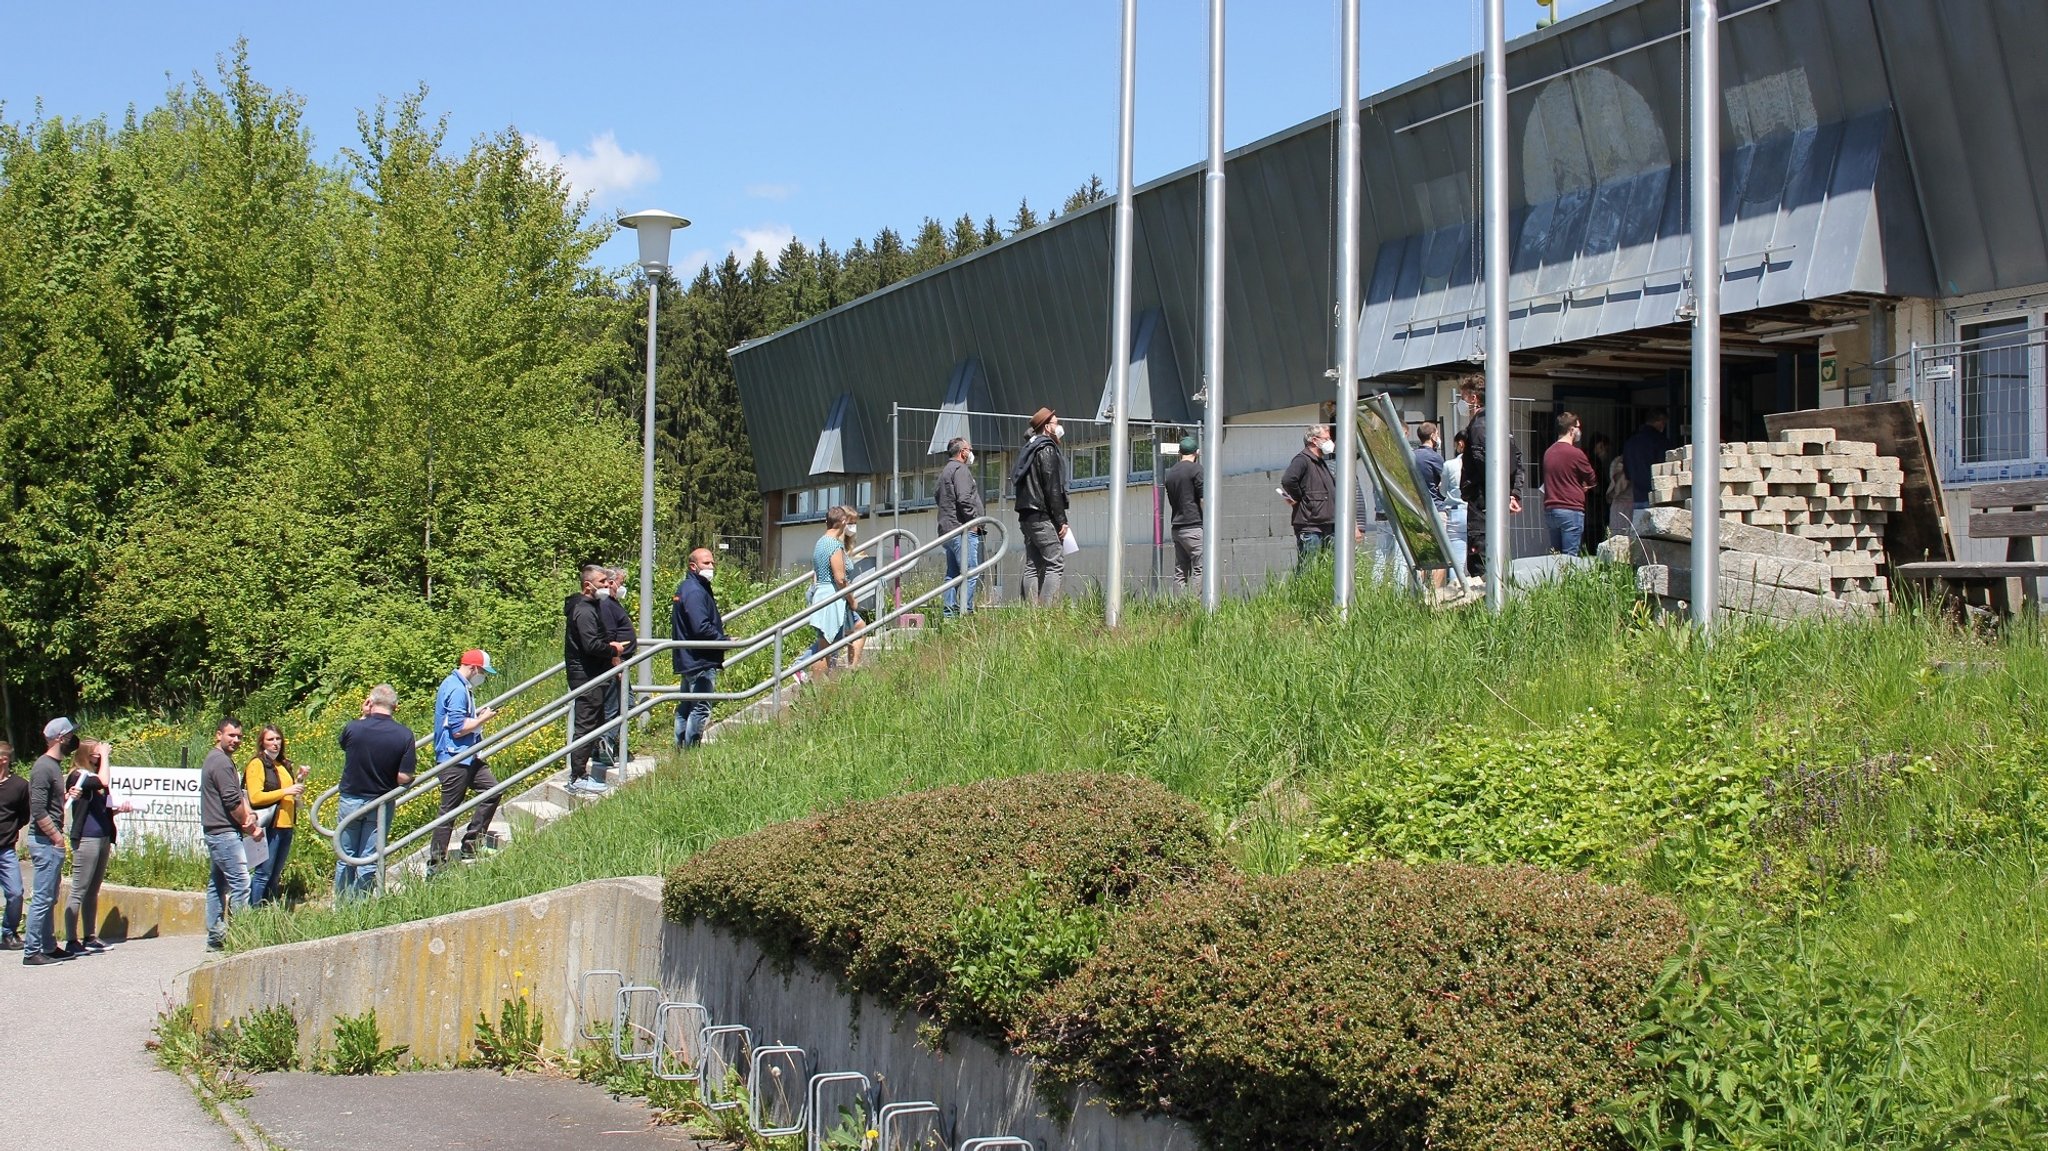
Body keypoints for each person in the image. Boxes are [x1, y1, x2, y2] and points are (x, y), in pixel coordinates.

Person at [334, 686, 417, 899]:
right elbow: (403, 777)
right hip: (380, 803)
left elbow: (344, 744)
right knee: (369, 858)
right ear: (395, 707)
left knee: (346, 856)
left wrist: (363, 715)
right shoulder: (405, 735)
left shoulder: (354, 728)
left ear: (370, 703)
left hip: (351, 799)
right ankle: (360, 907)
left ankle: (342, 905)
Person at [428, 650, 502, 870]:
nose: (483, 677)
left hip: (468, 755)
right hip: (454, 758)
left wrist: (477, 717)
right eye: (483, 672)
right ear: (473, 668)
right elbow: (458, 728)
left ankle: (472, 843)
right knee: (449, 811)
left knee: (493, 790)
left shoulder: (457, 685)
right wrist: (483, 719)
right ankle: (436, 864)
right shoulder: (457, 689)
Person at [64, 738, 132, 954]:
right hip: (87, 837)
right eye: (95, 754)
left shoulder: (94, 776)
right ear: (85, 755)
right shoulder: (79, 775)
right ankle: (71, 940)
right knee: (79, 889)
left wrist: (119, 809)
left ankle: (89, 936)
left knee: (93, 890)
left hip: (102, 836)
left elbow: (100, 805)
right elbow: (102, 781)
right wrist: (106, 756)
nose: (99, 757)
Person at [1457, 377, 1526, 581]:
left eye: (1463, 397)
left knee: (1480, 560)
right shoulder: (1500, 422)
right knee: (1495, 552)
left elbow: (1485, 463)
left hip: (1482, 501)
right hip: (1495, 498)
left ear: (1473, 398)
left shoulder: (1479, 425)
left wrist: (1502, 494)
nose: (1462, 403)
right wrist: (1513, 494)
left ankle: (1486, 605)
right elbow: (1517, 460)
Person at [23, 718, 80, 965]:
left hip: (49, 841)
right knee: (43, 898)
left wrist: (67, 796)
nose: (72, 740)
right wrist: (57, 838)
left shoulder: (53, 766)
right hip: (45, 841)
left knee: (49, 898)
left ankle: (48, 945)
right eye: (69, 736)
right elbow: (37, 808)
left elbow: (48, 804)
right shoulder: (43, 767)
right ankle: (32, 951)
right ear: (60, 738)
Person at [200, 716, 259, 950]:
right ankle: (240, 937)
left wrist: (249, 814)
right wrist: (249, 824)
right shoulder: (221, 762)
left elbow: (238, 796)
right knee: (242, 884)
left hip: (217, 830)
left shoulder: (217, 759)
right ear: (218, 735)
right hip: (223, 832)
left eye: (239, 736)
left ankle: (216, 937)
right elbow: (232, 801)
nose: (236, 740)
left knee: (217, 884)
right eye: (231, 735)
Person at [564, 565, 623, 795]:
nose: (607, 585)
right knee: (586, 725)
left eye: (608, 582)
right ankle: (577, 776)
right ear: (587, 585)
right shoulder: (584, 610)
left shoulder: (591, 606)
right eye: (601, 582)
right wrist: (613, 650)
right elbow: (591, 644)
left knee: (595, 722)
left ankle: (583, 770)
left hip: (595, 674)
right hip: (586, 676)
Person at [1011, 407, 1070, 605]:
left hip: (1026, 516)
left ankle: (1031, 613)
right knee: (1055, 562)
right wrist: (1061, 520)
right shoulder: (1046, 449)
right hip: (1041, 515)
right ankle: (1048, 613)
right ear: (1047, 427)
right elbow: (1052, 488)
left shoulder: (1028, 449)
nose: (1059, 426)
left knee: (1032, 564)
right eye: (1056, 423)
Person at [244, 724, 307, 906]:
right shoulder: (257, 764)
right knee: (263, 872)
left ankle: (269, 911)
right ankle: (254, 912)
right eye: (270, 739)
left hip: (286, 825)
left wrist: (300, 779)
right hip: (269, 825)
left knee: (275, 873)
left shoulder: (282, 764)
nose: (275, 743)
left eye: (278, 739)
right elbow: (255, 797)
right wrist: (286, 791)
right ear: (262, 742)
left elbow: (290, 792)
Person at [803, 506, 869, 675]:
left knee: (848, 633)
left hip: (825, 595)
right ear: (843, 521)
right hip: (831, 598)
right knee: (826, 648)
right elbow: (840, 579)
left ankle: (845, 673)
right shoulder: (833, 545)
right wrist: (852, 599)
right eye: (849, 522)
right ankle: (810, 679)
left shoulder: (822, 541)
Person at [672, 547, 728, 747]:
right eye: (706, 563)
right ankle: (690, 751)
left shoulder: (689, 587)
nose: (711, 566)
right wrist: (723, 640)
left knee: (686, 706)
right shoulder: (695, 590)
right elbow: (700, 626)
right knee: (700, 707)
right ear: (693, 566)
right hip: (699, 659)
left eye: (712, 562)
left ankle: (680, 750)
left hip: (689, 657)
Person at [593, 567, 637, 774]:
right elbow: (610, 636)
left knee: (621, 704)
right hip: (616, 662)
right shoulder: (605, 605)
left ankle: (606, 744)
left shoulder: (611, 603)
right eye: (620, 582)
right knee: (621, 705)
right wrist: (617, 663)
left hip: (619, 661)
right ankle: (606, 743)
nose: (621, 586)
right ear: (610, 583)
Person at [935, 437, 985, 616]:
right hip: (962, 529)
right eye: (970, 449)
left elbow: (937, 496)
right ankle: (966, 612)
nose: (972, 453)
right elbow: (964, 499)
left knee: (953, 573)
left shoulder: (946, 471)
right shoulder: (961, 470)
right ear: (963, 452)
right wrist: (973, 522)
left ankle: (949, 613)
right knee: (971, 572)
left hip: (947, 529)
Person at [1280, 425, 1339, 567]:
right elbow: (1288, 480)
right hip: (1310, 525)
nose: (1330, 442)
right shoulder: (1302, 460)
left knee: (1327, 567)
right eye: (1326, 438)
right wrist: (1298, 497)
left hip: (1326, 525)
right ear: (1314, 440)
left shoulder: (1320, 462)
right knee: (1308, 568)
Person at [1542, 411, 1598, 556]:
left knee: (1556, 556)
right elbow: (1592, 478)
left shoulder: (1549, 452)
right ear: (1571, 429)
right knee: (1570, 557)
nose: (1580, 431)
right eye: (1578, 427)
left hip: (1551, 510)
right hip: (1571, 509)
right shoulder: (1576, 453)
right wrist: (1584, 485)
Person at [1164, 435, 1204, 593]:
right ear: (1197, 452)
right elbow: (1203, 499)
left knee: (1180, 571)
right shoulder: (1197, 469)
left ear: (1179, 452)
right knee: (1202, 568)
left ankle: (1179, 608)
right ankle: (1195, 605)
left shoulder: (1171, 473)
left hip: (1177, 528)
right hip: (1194, 526)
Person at [0, 741, 25, 951]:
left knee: (16, 892)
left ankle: (9, 933)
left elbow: (24, 815)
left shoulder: (19, 786)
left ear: (4, 760)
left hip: (5, 848)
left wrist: (11, 830)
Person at [1622, 411, 1672, 512]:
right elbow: (1667, 466)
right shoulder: (1660, 440)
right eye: (1664, 423)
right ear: (1660, 422)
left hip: (1637, 496)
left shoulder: (1630, 442)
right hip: (1657, 495)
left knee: (1639, 527)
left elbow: (1626, 472)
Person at [1442, 432, 1470, 569]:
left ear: (1460, 444)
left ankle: (1456, 585)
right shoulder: (1483, 464)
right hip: (1476, 513)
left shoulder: (1450, 465)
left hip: (1456, 512)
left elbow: (1443, 490)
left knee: (1457, 561)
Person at [1583, 432, 1616, 548]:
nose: (1606, 454)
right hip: (1592, 508)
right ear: (1600, 446)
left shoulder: (1588, 459)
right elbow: (1596, 485)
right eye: (1606, 450)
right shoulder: (1593, 463)